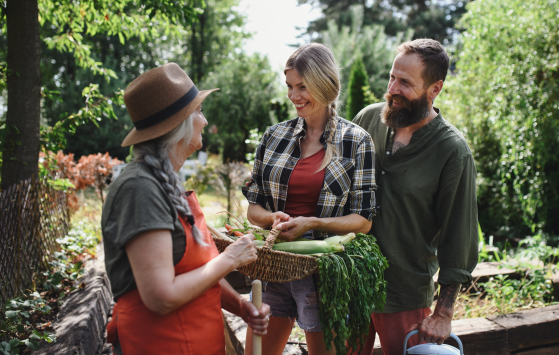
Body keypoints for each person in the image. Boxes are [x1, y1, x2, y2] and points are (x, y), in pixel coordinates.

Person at [101, 63, 270, 355]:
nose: (204, 121)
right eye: (199, 112)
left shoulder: (164, 182)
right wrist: (229, 260)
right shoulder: (140, 189)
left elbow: (197, 272)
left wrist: (240, 306)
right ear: (178, 125)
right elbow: (161, 296)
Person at [242, 43, 377, 355]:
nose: (293, 96)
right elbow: (253, 208)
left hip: (324, 272)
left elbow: (364, 221)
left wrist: (313, 223)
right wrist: (271, 218)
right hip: (275, 265)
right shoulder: (273, 137)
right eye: (289, 86)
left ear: (324, 83)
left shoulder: (357, 142)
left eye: (302, 86)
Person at [352, 39, 479, 354]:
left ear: (434, 89)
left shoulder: (452, 151)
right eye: (392, 77)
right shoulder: (368, 120)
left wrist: (444, 313)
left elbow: (458, 235)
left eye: (405, 83)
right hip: (350, 281)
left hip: (404, 294)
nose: (392, 89)